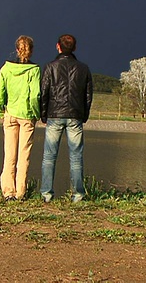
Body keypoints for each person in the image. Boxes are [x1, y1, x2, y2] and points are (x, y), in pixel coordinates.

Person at [40, 34, 93, 203]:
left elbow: (44, 93)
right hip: (75, 116)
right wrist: (83, 116)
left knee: (49, 157)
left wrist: (43, 115)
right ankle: (78, 195)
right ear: (75, 48)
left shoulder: (50, 67)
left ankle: (46, 195)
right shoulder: (83, 69)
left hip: (54, 115)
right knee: (76, 157)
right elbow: (88, 96)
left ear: (58, 46)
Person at [0, 35, 41, 201]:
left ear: (16, 49)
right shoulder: (34, 70)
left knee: (9, 155)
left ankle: (8, 192)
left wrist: (1, 111)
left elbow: (0, 94)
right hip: (27, 116)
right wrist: (36, 114)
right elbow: (35, 95)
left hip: (10, 115)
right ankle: (20, 192)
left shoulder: (5, 69)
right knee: (24, 156)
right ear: (31, 50)